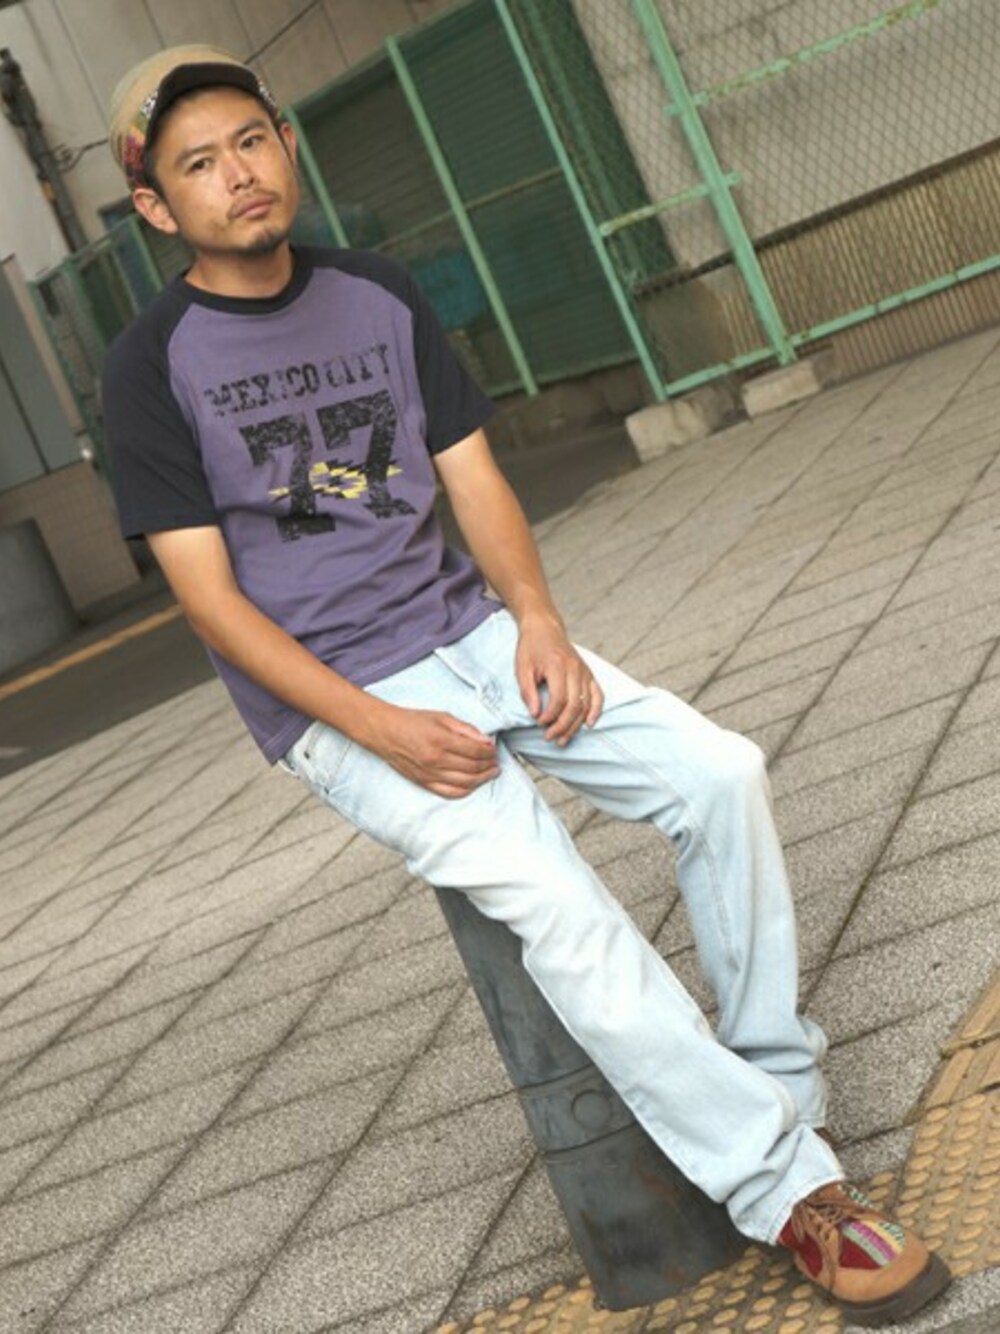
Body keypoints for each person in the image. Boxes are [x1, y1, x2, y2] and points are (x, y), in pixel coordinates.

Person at [102, 45, 949, 1328]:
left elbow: (472, 475)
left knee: (717, 773)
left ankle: (775, 1089)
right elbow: (211, 604)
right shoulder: (149, 363)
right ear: (156, 205)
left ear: (286, 145)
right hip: (340, 704)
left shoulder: (377, 291)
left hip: (474, 632)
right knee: (562, 905)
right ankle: (787, 1188)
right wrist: (379, 727)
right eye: (199, 164)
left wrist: (539, 621)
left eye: (252, 141)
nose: (239, 175)